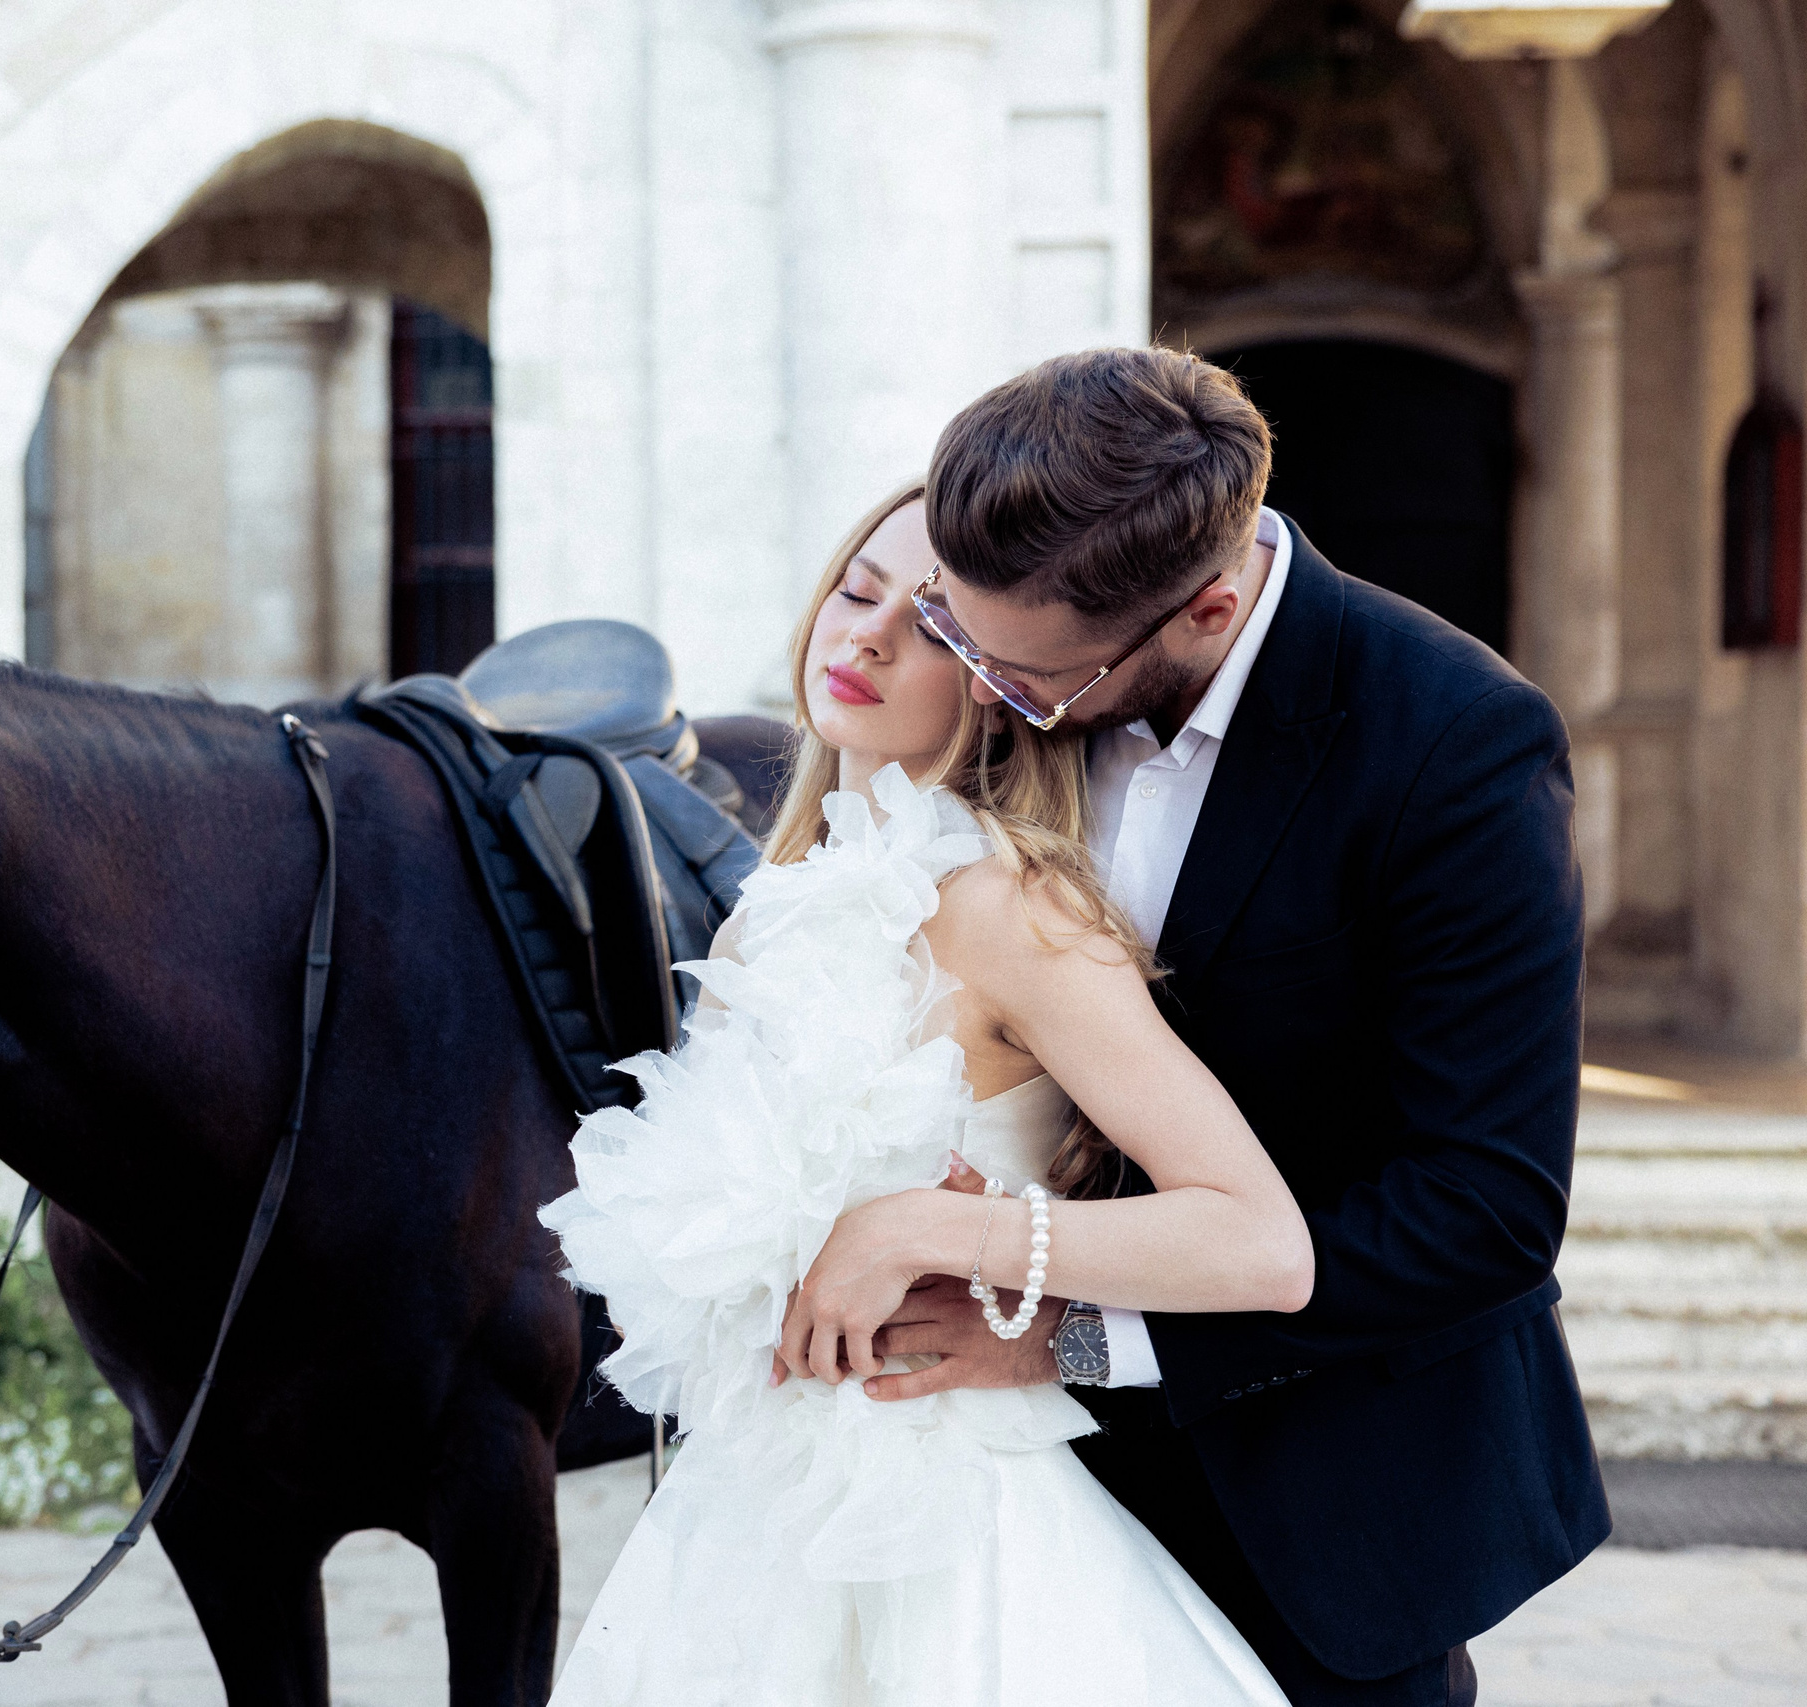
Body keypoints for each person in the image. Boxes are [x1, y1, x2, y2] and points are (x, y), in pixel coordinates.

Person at [811, 346, 1608, 1707]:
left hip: (1318, 1489)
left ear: (1208, 604)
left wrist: (1066, 1328)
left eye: (1029, 676)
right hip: (998, 1495)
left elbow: (1482, 1211)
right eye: (960, 633)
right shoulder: (1011, 673)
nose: (985, 687)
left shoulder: (1455, 744)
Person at [539, 463, 1319, 1705]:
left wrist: (933, 1230)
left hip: (954, 1524)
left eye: (935, 625)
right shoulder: (757, 921)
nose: (868, 636)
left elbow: (1260, 1245)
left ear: (1010, 673)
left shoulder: (1013, 908)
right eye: (858, 589)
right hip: (747, 1524)